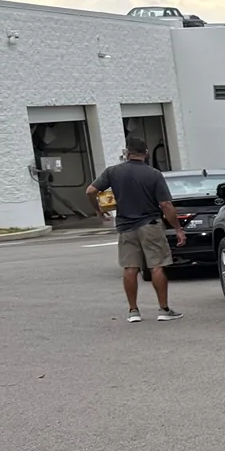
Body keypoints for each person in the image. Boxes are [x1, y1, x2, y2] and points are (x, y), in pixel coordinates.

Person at [87, 136, 184, 322]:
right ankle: (163, 309)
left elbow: (90, 191)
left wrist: (98, 210)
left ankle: (133, 311)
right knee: (157, 266)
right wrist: (178, 228)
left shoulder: (113, 172)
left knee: (130, 267)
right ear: (146, 153)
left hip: (125, 226)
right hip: (150, 224)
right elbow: (165, 204)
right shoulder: (154, 174)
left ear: (126, 153)